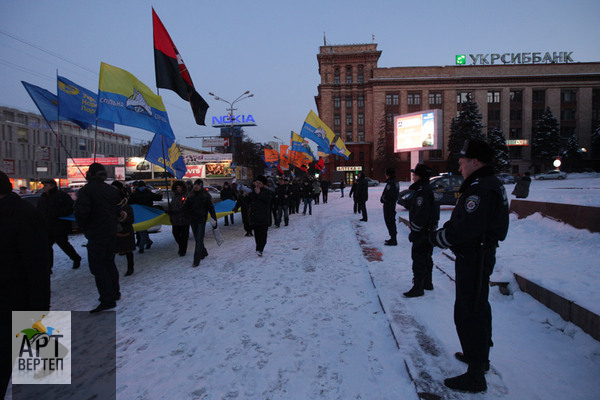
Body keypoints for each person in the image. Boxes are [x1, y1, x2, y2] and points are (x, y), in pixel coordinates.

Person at [430, 139, 509, 393]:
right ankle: (479, 358)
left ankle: (476, 374)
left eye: (462, 162)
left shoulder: (481, 188)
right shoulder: (486, 183)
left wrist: (436, 238)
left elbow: (466, 228)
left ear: (475, 162)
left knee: (470, 310)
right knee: (475, 306)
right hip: (477, 254)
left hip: (475, 255)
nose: (460, 167)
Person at [0, 171, 50, 398]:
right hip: (18, 298)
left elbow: (38, 264)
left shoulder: (23, 214)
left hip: (17, 298)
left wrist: (40, 310)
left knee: (40, 370)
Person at [74, 163, 122, 313]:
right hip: (111, 231)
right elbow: (117, 210)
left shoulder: (86, 191)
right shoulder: (111, 191)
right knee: (109, 263)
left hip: (96, 233)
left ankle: (108, 299)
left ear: (90, 175)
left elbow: (81, 213)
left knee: (98, 267)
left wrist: (84, 226)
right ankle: (115, 292)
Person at [404, 164, 439, 297]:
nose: (413, 177)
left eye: (414, 175)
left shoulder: (422, 191)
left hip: (422, 232)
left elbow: (421, 214)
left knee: (418, 257)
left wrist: (415, 232)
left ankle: (418, 286)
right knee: (426, 257)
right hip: (429, 230)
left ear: (420, 176)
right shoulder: (430, 188)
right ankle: (427, 282)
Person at [37, 178, 82, 271]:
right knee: (47, 247)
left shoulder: (61, 195)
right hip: (47, 226)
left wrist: (57, 213)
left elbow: (70, 208)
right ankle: (48, 267)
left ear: (52, 186)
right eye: (43, 185)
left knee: (63, 244)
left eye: (46, 185)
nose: (44, 187)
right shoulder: (43, 197)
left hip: (60, 226)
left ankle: (76, 258)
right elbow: (39, 210)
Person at [184, 179, 217, 267]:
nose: (196, 186)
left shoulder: (206, 196)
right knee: (197, 238)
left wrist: (214, 219)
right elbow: (185, 207)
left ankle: (196, 260)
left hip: (201, 220)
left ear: (201, 186)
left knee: (199, 239)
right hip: (193, 220)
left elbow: (211, 208)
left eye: (198, 185)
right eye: (195, 184)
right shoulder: (190, 195)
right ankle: (204, 252)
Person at [129, 180, 162, 253]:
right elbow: (157, 198)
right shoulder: (148, 193)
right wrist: (160, 194)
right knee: (143, 230)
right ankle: (147, 242)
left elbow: (129, 203)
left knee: (142, 230)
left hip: (139, 214)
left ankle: (142, 246)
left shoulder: (134, 194)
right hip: (147, 214)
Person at [111, 181, 136, 276]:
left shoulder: (127, 208)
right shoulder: (109, 206)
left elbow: (131, 219)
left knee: (128, 251)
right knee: (112, 252)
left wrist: (122, 216)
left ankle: (130, 268)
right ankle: (112, 270)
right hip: (114, 232)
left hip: (126, 231)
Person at [249, 175, 272, 256]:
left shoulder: (267, 192)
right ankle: (258, 248)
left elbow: (268, 201)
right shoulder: (253, 191)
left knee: (263, 235)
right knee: (257, 234)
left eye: (259, 183)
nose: (257, 185)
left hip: (264, 217)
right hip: (255, 217)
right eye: (257, 183)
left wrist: (259, 194)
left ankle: (261, 248)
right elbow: (249, 201)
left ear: (263, 184)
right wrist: (244, 196)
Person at [169, 180, 191, 256]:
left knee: (184, 235)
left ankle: (183, 249)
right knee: (175, 234)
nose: (178, 189)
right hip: (175, 219)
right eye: (177, 187)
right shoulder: (174, 196)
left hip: (184, 219)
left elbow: (185, 207)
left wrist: (175, 211)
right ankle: (181, 246)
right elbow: (172, 205)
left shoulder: (186, 196)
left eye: (180, 187)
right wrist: (170, 210)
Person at [380, 168, 399, 246]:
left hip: (389, 205)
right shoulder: (395, 181)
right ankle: (392, 238)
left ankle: (393, 239)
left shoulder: (391, 183)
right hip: (391, 204)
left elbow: (389, 195)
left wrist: (383, 199)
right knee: (390, 221)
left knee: (390, 221)